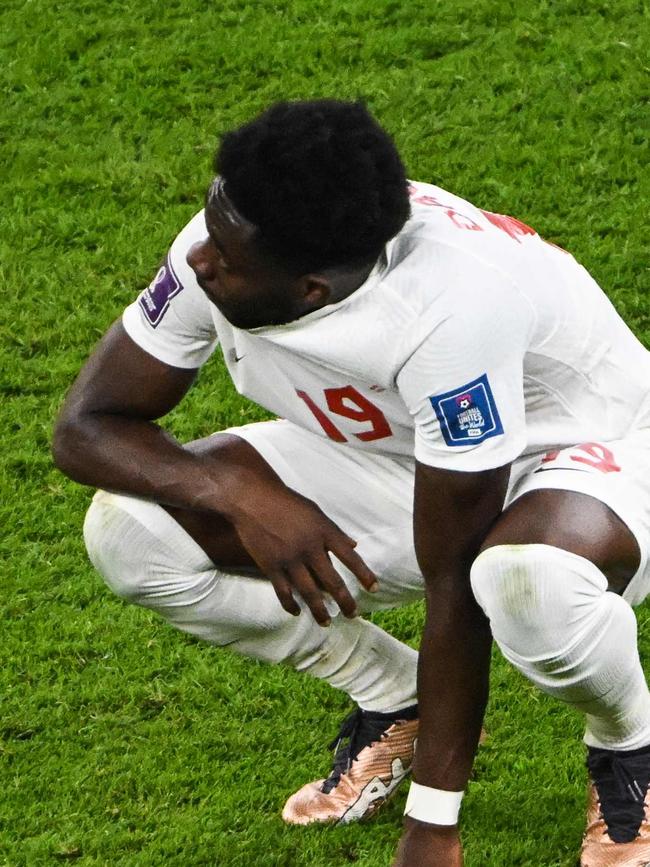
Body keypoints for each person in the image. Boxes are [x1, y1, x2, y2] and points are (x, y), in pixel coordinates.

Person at [52, 99, 650, 866]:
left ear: (311, 290)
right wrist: (241, 494)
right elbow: (88, 425)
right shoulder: (241, 235)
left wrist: (434, 826)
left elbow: (453, 583)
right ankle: (391, 694)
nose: (201, 260)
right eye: (211, 226)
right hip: (410, 450)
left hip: (593, 448)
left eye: (228, 259)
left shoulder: (450, 309)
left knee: (522, 579)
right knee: (130, 533)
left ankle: (629, 743)